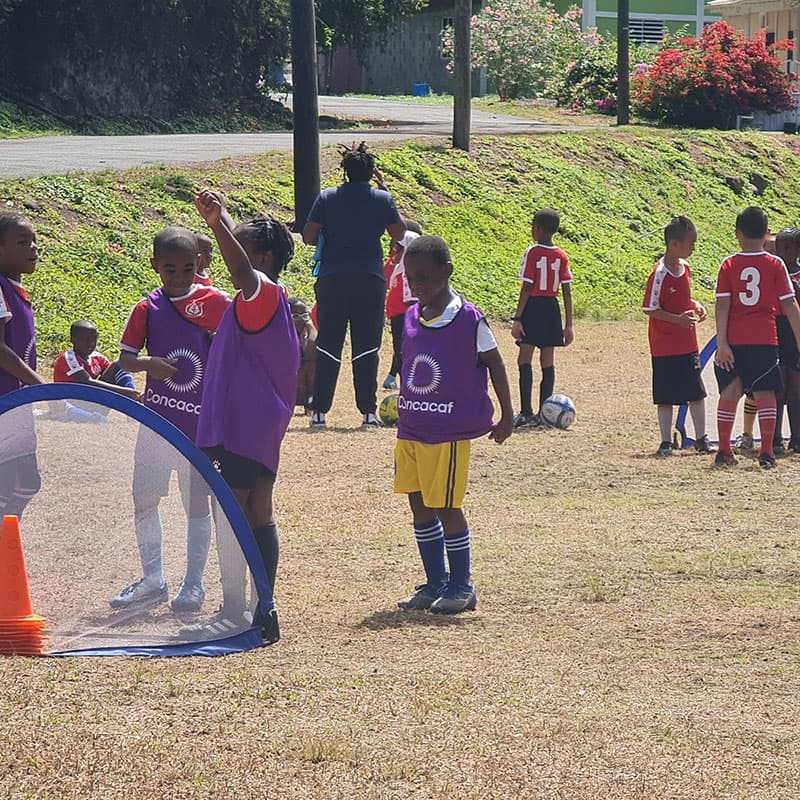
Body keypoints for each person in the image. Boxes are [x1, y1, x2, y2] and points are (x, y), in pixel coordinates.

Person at [184, 190, 298, 642]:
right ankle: (263, 609)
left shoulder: (261, 292)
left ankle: (235, 609)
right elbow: (242, 252)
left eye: (238, 240)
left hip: (244, 421)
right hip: (261, 420)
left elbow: (241, 269)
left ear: (263, 257)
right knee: (256, 510)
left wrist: (215, 225)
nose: (228, 241)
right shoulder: (270, 295)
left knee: (231, 510)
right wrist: (223, 214)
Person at [109, 226, 230, 612]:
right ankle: (151, 580)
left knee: (196, 502)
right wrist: (149, 364)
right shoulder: (147, 308)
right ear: (155, 267)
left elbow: (235, 354)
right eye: (170, 270)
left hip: (199, 426)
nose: (179, 278)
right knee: (144, 498)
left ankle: (193, 584)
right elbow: (124, 359)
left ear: (200, 265)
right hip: (157, 424)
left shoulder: (216, 304)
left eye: (187, 269)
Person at [394, 236, 513, 614]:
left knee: (445, 505)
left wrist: (508, 414)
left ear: (447, 272)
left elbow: (494, 362)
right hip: (411, 427)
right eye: (412, 279)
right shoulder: (412, 315)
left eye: (425, 278)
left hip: (446, 432)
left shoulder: (467, 319)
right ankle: (434, 582)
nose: (417, 286)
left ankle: (462, 585)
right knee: (418, 504)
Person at [302, 142, 406, 428]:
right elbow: (398, 233)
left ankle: (320, 411)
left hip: (332, 278)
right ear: (372, 172)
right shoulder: (381, 199)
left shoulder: (327, 197)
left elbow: (309, 236)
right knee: (366, 345)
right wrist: (384, 193)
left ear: (344, 171)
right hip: (370, 279)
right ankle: (368, 413)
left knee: (328, 344)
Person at [714, 207, 800, 468]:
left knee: (730, 391)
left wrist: (721, 343)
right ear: (766, 234)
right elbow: (790, 306)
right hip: (764, 337)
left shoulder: (728, 264)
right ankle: (767, 452)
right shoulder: (774, 264)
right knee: (765, 393)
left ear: (737, 234)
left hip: (734, 338)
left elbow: (722, 306)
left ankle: (725, 450)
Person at [642, 216, 711, 456]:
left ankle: (701, 438)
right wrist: (677, 320)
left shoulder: (686, 269)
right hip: (664, 346)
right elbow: (650, 307)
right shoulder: (659, 273)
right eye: (690, 243)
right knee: (665, 396)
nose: (693, 247)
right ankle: (665, 441)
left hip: (688, 344)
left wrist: (696, 305)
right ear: (674, 244)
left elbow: (682, 299)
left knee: (696, 392)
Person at [0, 211, 47, 520]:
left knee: (28, 482)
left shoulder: (15, 289)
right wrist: (39, 385)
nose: (33, 248)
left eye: (33, 240)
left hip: (20, 405)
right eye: (22, 242)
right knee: (11, 483)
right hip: (5, 405)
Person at [510, 208, 573, 428]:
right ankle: (545, 413)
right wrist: (569, 325)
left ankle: (526, 412)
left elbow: (527, 287)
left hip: (534, 306)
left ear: (536, 228)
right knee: (547, 360)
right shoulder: (561, 255)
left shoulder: (532, 252)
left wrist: (518, 318)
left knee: (524, 358)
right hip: (551, 308)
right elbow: (566, 291)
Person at [53, 319, 141, 401]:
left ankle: (132, 400)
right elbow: (87, 382)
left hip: (92, 401)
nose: (91, 344)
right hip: (71, 404)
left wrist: (129, 391)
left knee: (120, 364)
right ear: (73, 340)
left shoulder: (97, 358)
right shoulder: (68, 358)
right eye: (86, 340)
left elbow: (114, 373)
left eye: (93, 340)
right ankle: (131, 397)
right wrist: (125, 392)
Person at [382, 218, 422, 390]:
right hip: (399, 310)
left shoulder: (409, 267)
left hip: (403, 310)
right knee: (402, 344)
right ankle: (396, 376)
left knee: (403, 344)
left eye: (396, 246)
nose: (392, 250)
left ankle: (395, 376)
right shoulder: (399, 267)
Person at [771, 227, 800, 454]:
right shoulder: (771, 272)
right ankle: (775, 437)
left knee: (795, 387)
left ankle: (797, 438)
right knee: (778, 387)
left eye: (788, 248)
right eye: (780, 247)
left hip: (795, 333)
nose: (783, 252)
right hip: (775, 331)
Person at [289, 297, 316, 414]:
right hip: (288, 393)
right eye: (295, 317)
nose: (300, 320)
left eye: (304, 316)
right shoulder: (280, 335)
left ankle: (310, 401)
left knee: (313, 360)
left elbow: (313, 344)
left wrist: (310, 325)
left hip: (305, 391)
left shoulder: (307, 334)